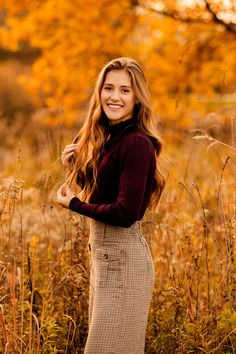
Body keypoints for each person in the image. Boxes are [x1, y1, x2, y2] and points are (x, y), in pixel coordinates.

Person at [57, 57, 166, 354]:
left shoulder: (136, 143)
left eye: (125, 90)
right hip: (105, 260)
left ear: (137, 98)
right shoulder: (112, 138)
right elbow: (106, 194)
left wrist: (74, 204)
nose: (114, 97)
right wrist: (78, 168)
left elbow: (125, 213)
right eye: (108, 88)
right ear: (99, 92)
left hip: (125, 261)